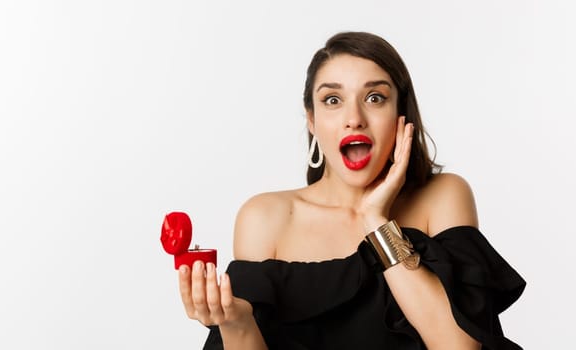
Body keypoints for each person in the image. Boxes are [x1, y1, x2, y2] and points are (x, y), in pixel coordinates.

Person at [176, 32, 526, 350]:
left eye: (375, 98)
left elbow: (459, 347)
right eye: (332, 100)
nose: (354, 117)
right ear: (311, 121)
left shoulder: (443, 195)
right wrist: (235, 322)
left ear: (402, 115)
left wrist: (376, 221)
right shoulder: (265, 218)